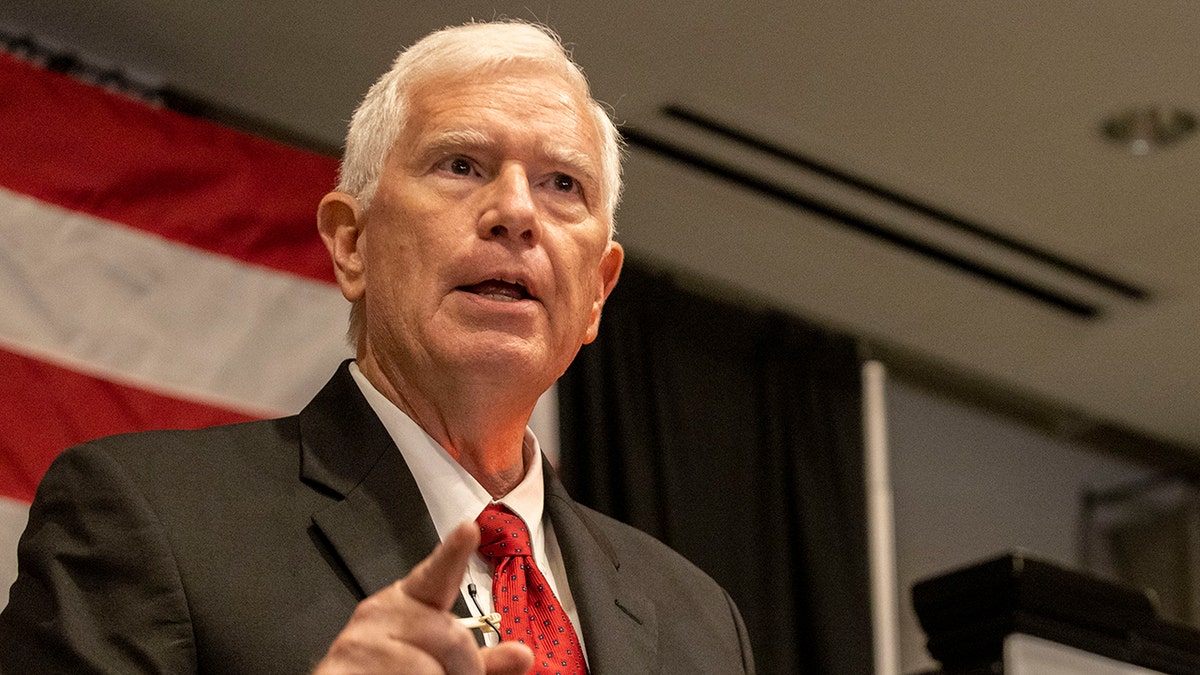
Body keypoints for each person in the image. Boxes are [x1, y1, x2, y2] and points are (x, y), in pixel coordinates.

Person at [0, 20, 754, 674]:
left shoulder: (698, 619)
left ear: (597, 290)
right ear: (351, 243)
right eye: (462, 164)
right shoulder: (148, 518)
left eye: (563, 184)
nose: (517, 212)